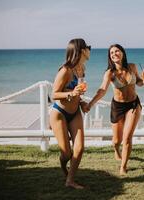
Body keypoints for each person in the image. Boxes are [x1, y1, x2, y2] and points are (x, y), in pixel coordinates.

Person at [87, 44, 144, 175]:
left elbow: (138, 82)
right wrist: (90, 103)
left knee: (127, 138)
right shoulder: (110, 73)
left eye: (117, 51)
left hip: (133, 105)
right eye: (111, 53)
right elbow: (102, 90)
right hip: (118, 107)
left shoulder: (132, 67)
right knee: (117, 141)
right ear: (110, 57)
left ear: (122, 53)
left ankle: (123, 166)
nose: (114, 54)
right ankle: (116, 150)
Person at [49, 38, 91, 189]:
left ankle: (70, 181)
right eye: (88, 47)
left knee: (79, 148)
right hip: (59, 113)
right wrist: (72, 93)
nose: (89, 50)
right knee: (66, 154)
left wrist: (82, 102)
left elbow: (78, 92)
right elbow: (54, 94)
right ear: (81, 51)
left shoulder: (82, 69)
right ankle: (63, 166)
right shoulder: (65, 70)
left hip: (75, 113)